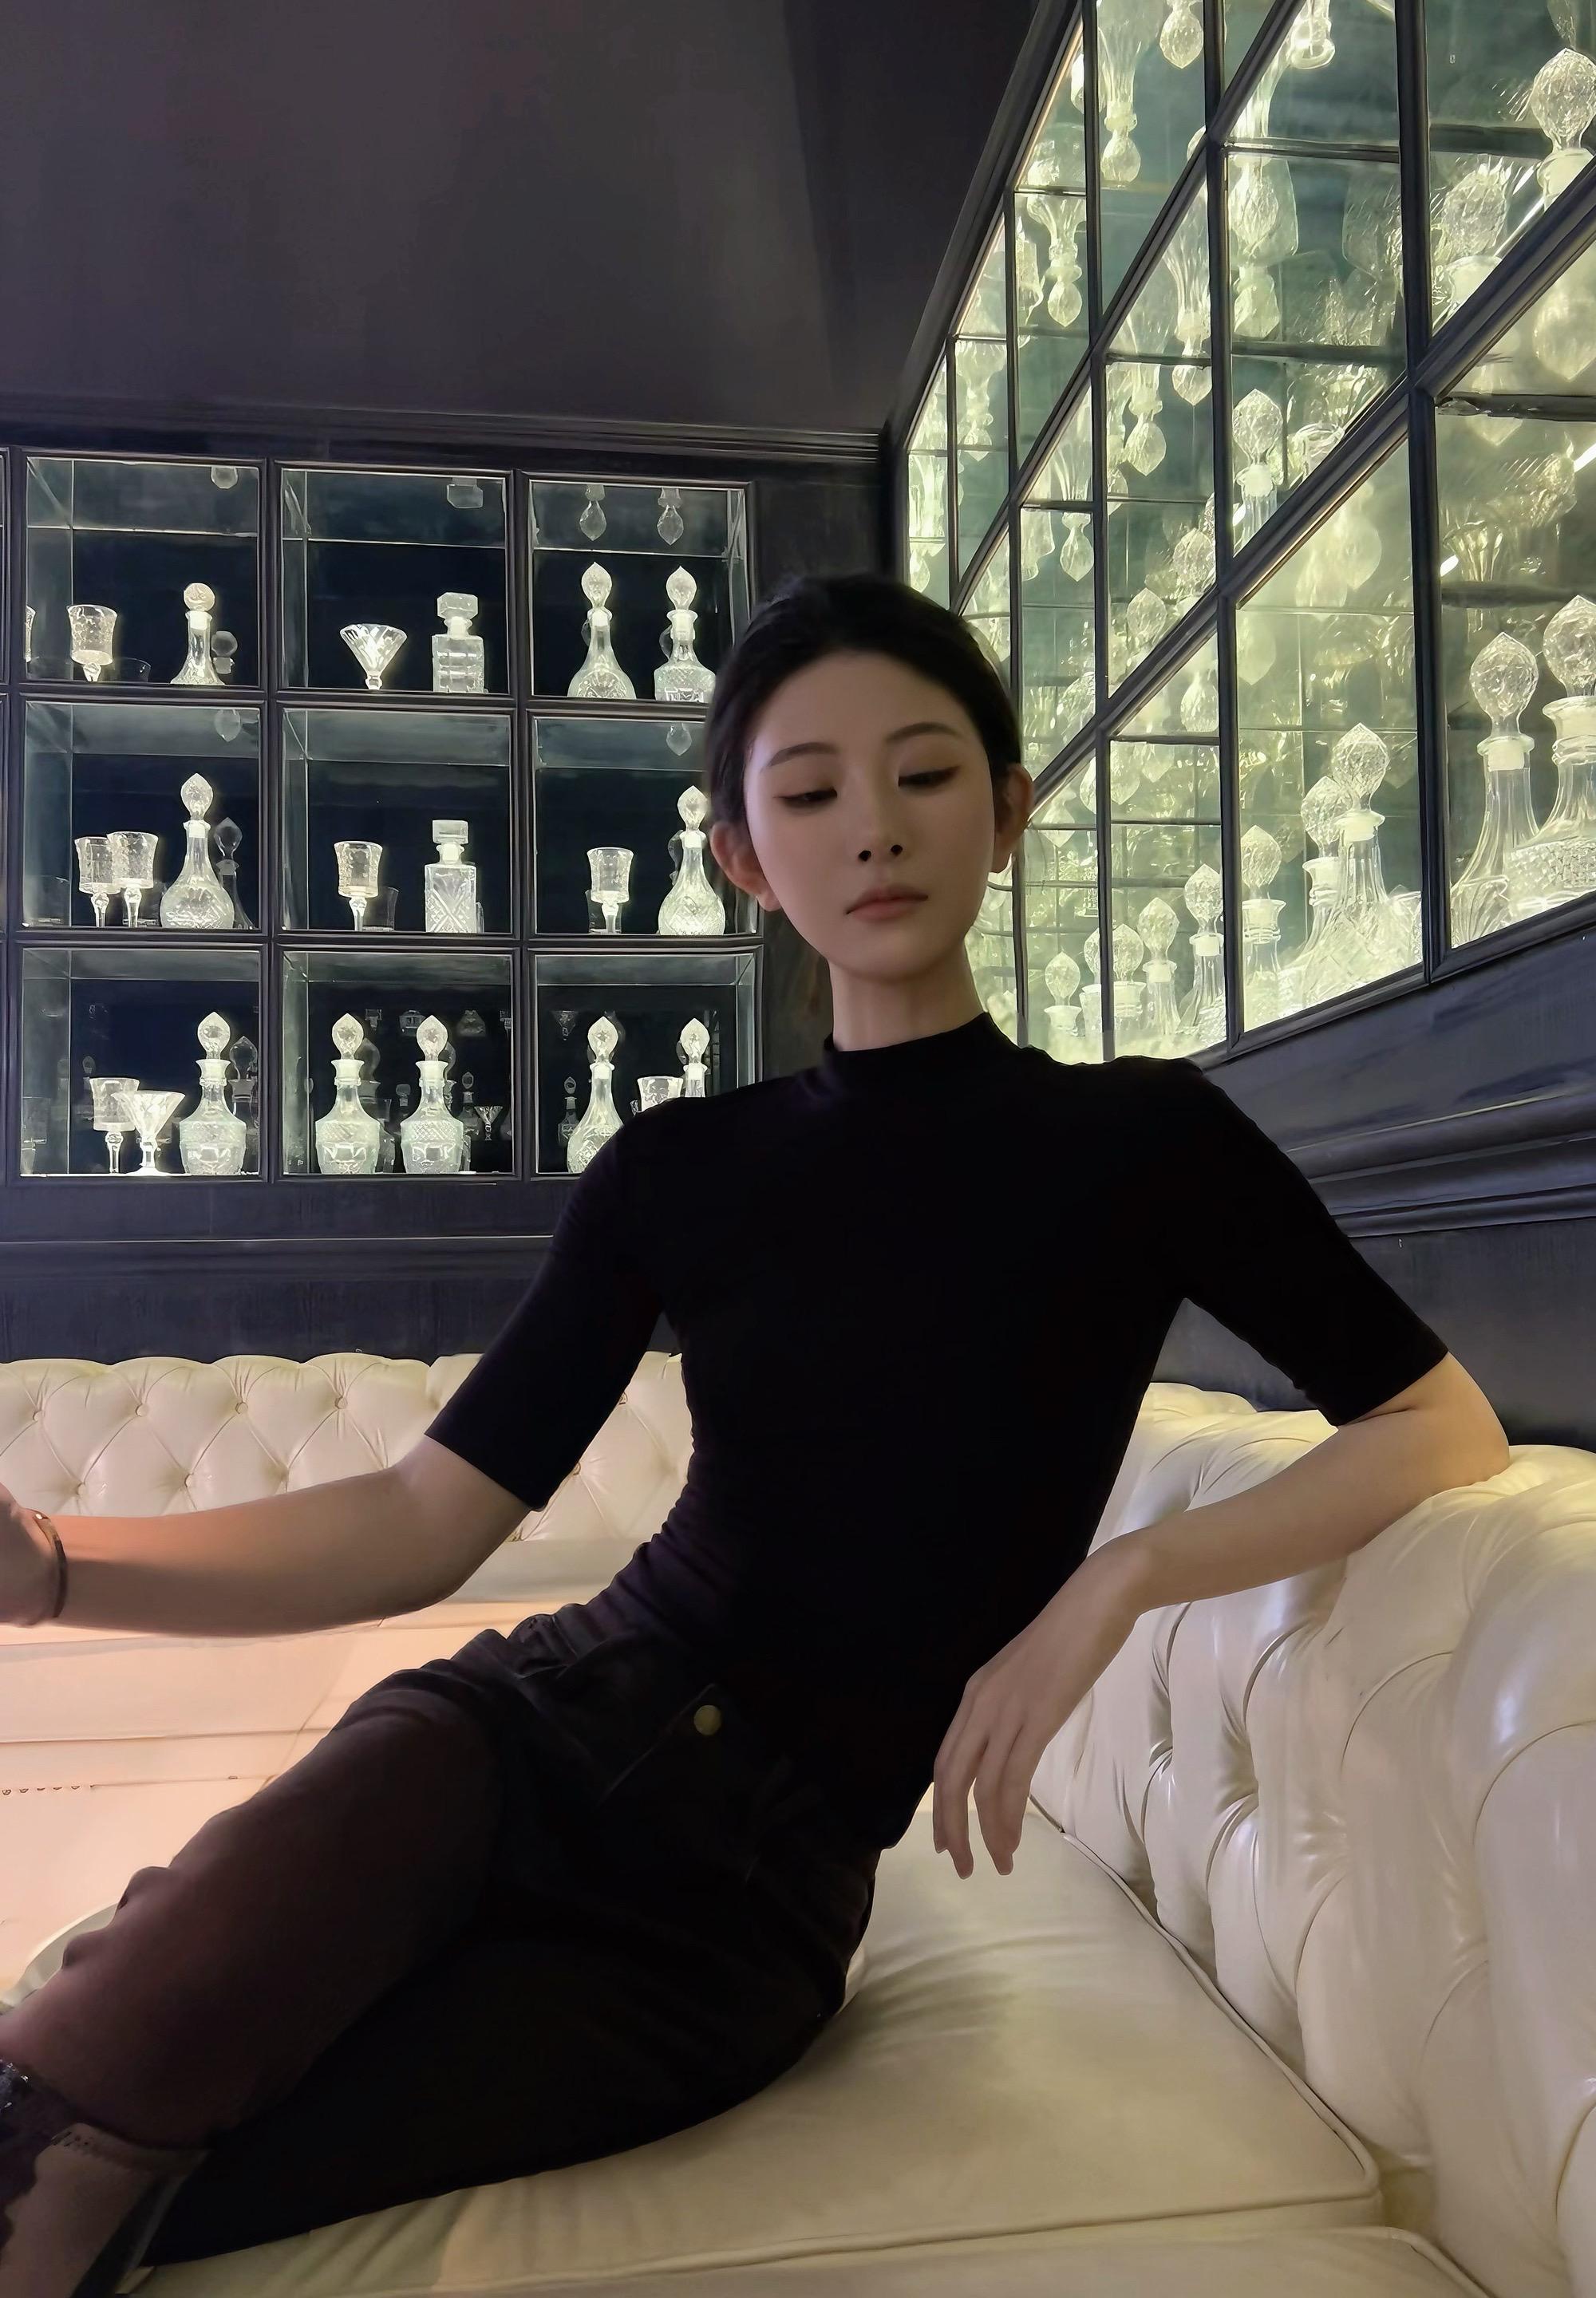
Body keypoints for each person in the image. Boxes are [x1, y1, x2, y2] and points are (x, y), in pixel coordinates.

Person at [0, 572, 1511, 2288]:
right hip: (520, 1742)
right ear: (742, 857)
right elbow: (423, 1517)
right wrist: (50, 1569)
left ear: (1009, 812)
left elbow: (1436, 1422)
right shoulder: (676, 1168)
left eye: (925, 774)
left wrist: (1123, 1579)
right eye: (809, 793)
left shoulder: (1144, 1143)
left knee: (207, 2195)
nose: (874, 827)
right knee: (65, 2119)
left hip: (741, 1918)